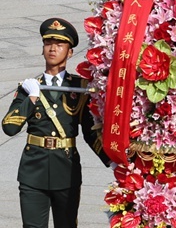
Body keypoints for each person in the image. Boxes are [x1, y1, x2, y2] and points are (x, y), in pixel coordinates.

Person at [3, 18, 109, 228]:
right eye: (48, 43)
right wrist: (32, 97)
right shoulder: (30, 87)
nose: (53, 49)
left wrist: (112, 160)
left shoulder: (79, 88)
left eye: (60, 45)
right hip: (33, 170)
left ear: (70, 52)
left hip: (66, 170)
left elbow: (90, 132)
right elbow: (9, 127)